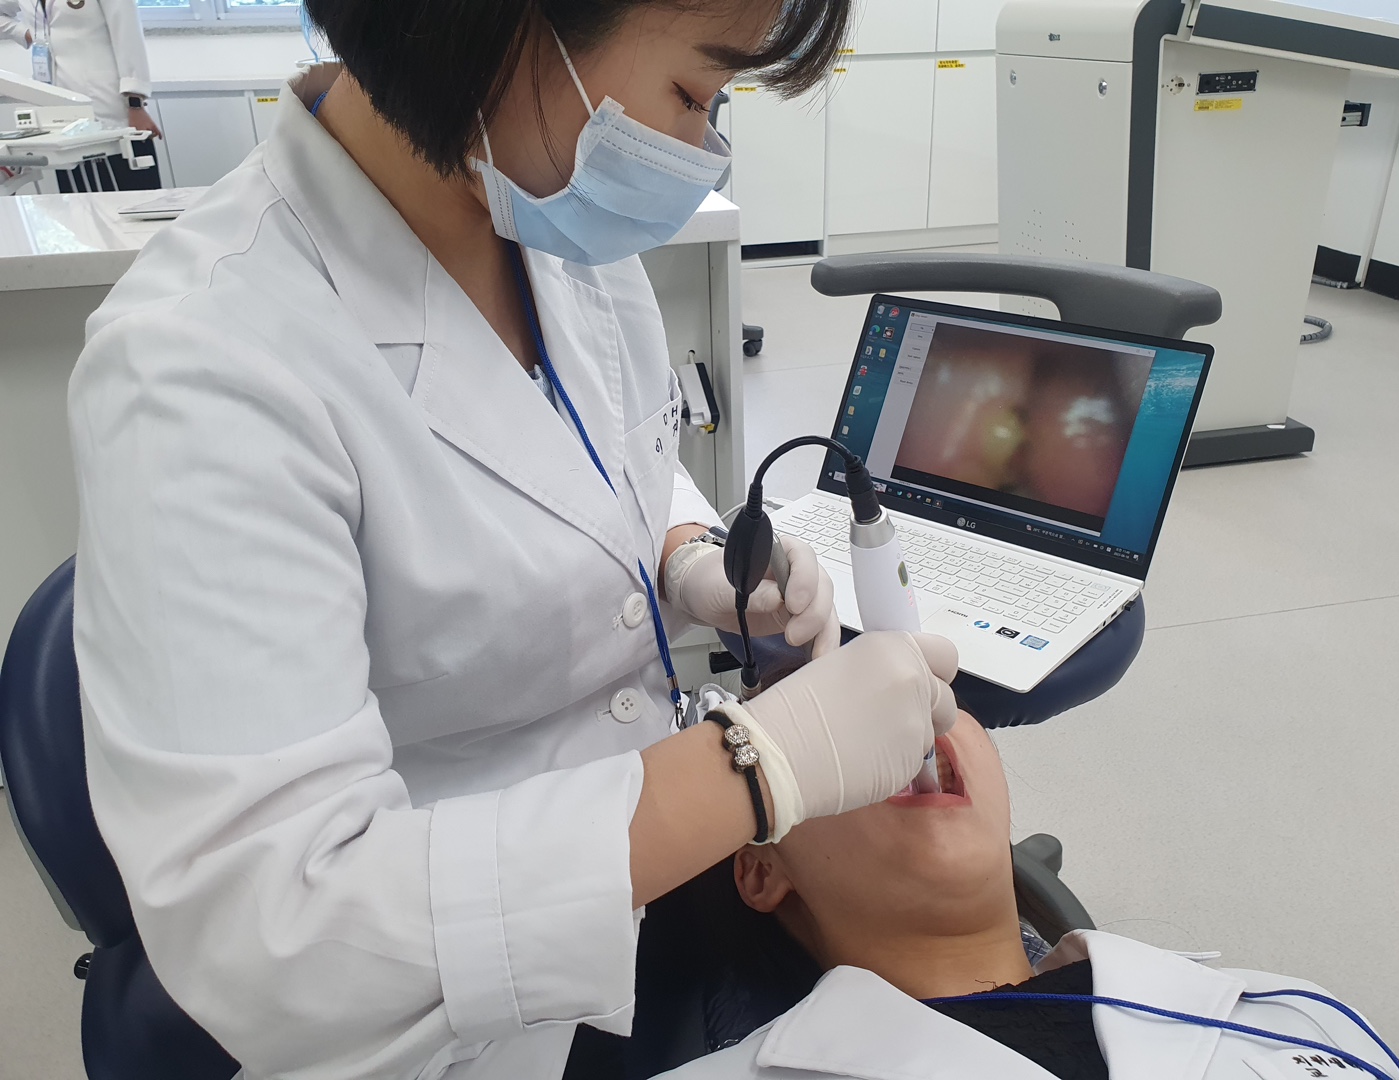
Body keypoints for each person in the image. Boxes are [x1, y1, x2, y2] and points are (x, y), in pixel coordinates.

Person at [65, 1, 967, 1077]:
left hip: (652, 912)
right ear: (497, 25)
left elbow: (608, 452)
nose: (702, 151)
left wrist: (685, 550)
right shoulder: (198, 369)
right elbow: (280, 940)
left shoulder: (549, 224)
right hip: (449, 1031)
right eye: (694, 94)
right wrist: (762, 765)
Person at [660, 704, 1399, 1079]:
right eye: (827, 718)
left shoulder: (1302, 1015)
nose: (902, 720)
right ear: (761, 870)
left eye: (926, 688)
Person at [0, 0, 162, 190]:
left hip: (109, 104)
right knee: (77, 196)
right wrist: (23, 33)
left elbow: (128, 37)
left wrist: (135, 103)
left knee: (131, 193)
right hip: (58, 111)